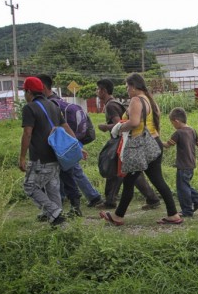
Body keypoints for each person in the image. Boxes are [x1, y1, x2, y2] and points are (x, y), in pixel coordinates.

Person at [99, 73, 183, 226]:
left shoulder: (136, 100)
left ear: (133, 86)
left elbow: (134, 122)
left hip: (140, 146)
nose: (127, 90)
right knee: (157, 180)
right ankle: (173, 214)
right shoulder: (149, 100)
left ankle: (118, 217)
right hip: (153, 142)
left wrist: (118, 128)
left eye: (127, 87)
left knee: (129, 181)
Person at [18, 77, 84, 227]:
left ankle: (55, 213)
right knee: (52, 189)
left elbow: (27, 133)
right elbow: (66, 126)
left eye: (24, 92)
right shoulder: (53, 105)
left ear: (28, 92)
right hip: (56, 156)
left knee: (30, 186)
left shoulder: (29, 108)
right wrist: (77, 146)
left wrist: (22, 157)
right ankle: (61, 226)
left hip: (40, 158)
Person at [36, 74, 101, 217]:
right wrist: (76, 145)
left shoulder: (50, 105)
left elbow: (59, 126)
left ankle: (79, 203)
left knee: (63, 175)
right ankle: (77, 204)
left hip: (56, 147)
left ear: (43, 87)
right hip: (64, 146)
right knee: (67, 174)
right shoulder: (58, 102)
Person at [96, 78, 161, 211]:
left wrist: (106, 127)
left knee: (120, 171)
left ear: (103, 91)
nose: (96, 92)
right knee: (131, 173)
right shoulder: (117, 103)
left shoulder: (111, 105)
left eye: (97, 89)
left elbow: (119, 123)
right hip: (131, 139)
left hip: (126, 140)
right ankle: (152, 198)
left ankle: (112, 202)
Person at [162, 107, 198, 218]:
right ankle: (197, 200)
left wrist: (155, 140)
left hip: (183, 166)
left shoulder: (178, 133)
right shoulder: (192, 130)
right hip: (191, 165)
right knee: (185, 186)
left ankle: (187, 211)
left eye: (172, 123)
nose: (172, 125)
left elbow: (167, 145)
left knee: (182, 189)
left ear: (176, 121)